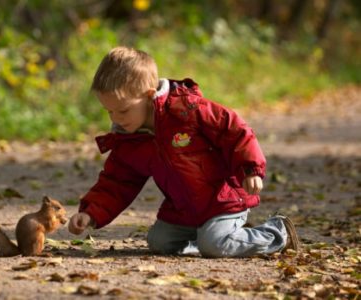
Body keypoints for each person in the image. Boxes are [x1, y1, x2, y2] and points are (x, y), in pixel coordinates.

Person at [68, 46, 299, 257]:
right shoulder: (128, 140)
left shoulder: (187, 110)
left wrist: (251, 169)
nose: (116, 119)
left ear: (149, 96)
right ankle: (211, 237)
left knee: (215, 245)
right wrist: (91, 213)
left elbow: (235, 130)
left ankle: (277, 232)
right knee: (159, 242)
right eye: (109, 112)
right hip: (183, 211)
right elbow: (116, 182)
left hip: (224, 201)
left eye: (123, 111)